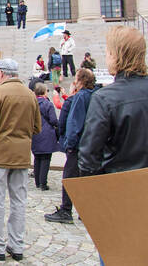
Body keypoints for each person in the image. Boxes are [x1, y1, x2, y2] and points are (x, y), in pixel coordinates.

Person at [0, 59, 41, 262]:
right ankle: (17, 245)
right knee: (19, 201)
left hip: (0, 153)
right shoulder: (30, 94)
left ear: (1, 74)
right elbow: (37, 127)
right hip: (21, 155)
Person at [79, 26, 148, 177]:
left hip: (122, 187)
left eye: (108, 53)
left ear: (116, 55)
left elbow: (89, 157)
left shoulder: (105, 98)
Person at [45, 69, 95, 224]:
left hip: (78, 144)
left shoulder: (80, 96)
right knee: (84, 178)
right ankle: (85, 211)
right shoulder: (95, 95)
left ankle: (66, 210)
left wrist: (70, 144)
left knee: (69, 177)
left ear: (80, 81)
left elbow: (74, 123)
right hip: (90, 145)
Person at [31, 83, 59, 191]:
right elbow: (52, 120)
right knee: (46, 159)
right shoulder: (47, 104)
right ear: (44, 92)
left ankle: (37, 182)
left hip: (35, 133)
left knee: (37, 158)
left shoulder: (32, 104)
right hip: (47, 133)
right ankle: (43, 183)